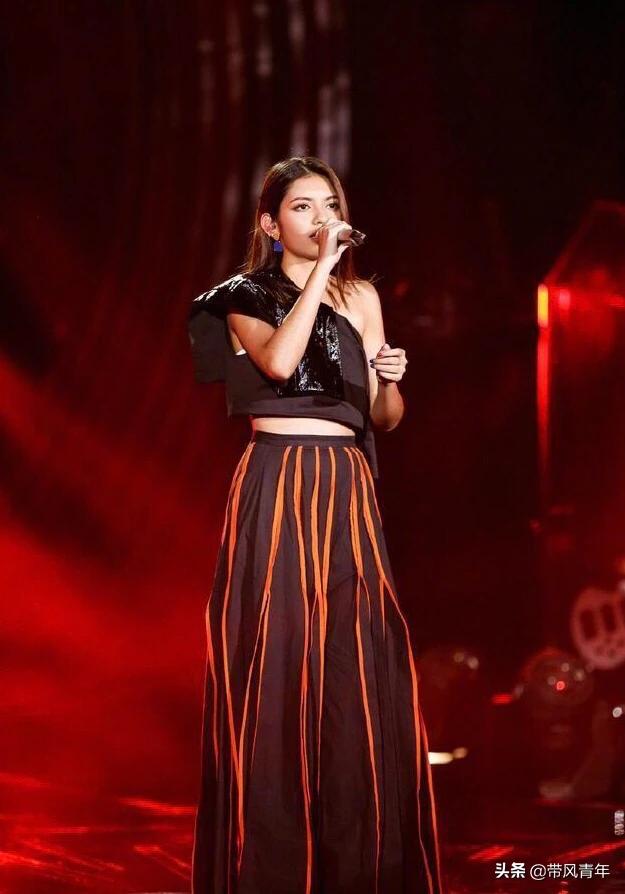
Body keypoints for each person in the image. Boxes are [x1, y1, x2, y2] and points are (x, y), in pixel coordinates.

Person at [187, 156, 444, 894]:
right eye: (302, 207)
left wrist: (389, 379)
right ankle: (273, 868)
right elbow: (279, 363)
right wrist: (320, 271)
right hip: (278, 479)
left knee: (351, 667)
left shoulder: (361, 296)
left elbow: (383, 420)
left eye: (328, 203)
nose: (320, 217)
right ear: (271, 224)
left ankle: (356, 863)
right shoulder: (244, 295)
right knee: (278, 661)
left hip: (346, 486)